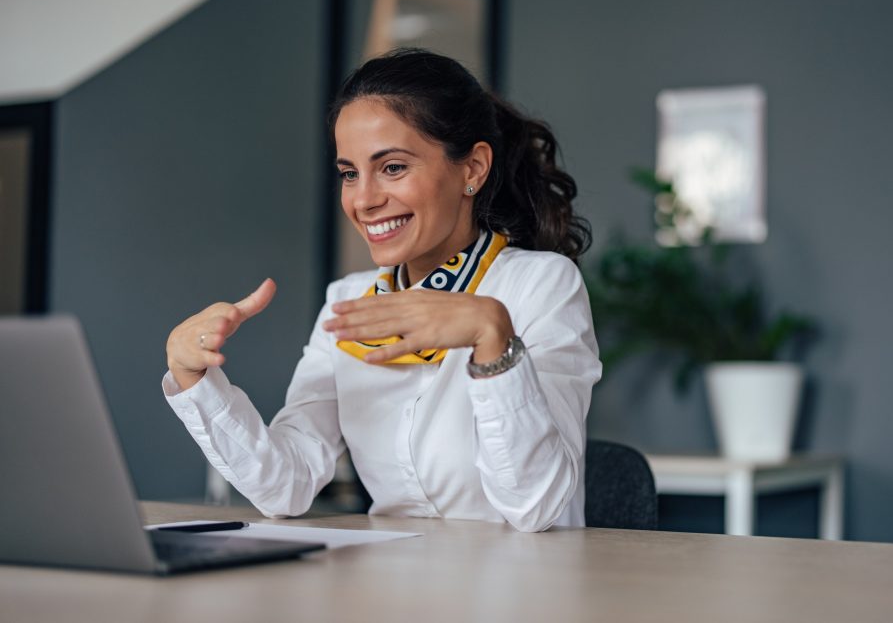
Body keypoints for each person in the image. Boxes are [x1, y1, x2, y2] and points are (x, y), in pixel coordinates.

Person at [162, 49, 601, 532]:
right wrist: (194, 379)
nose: (364, 199)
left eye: (392, 167)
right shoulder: (347, 304)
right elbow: (286, 484)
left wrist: (492, 338)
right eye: (350, 173)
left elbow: (535, 506)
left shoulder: (541, 285)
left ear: (472, 168)